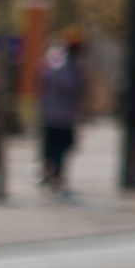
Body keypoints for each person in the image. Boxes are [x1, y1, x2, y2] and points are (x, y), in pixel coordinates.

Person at [38, 32, 89, 195]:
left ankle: (51, 171)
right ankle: (54, 172)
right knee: (60, 146)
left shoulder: (52, 63)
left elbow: (42, 81)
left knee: (53, 146)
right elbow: (76, 88)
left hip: (52, 114)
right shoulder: (72, 68)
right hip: (64, 117)